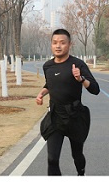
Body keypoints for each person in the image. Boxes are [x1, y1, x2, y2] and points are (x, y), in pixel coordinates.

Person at [36, 28, 100, 176]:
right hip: (55, 117)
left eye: (62, 43)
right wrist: (41, 93)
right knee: (52, 159)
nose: (58, 46)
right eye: (55, 43)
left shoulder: (78, 64)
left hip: (74, 117)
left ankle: (81, 174)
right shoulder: (47, 66)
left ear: (69, 44)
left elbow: (95, 89)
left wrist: (81, 79)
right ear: (51, 45)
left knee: (77, 155)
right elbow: (51, 84)